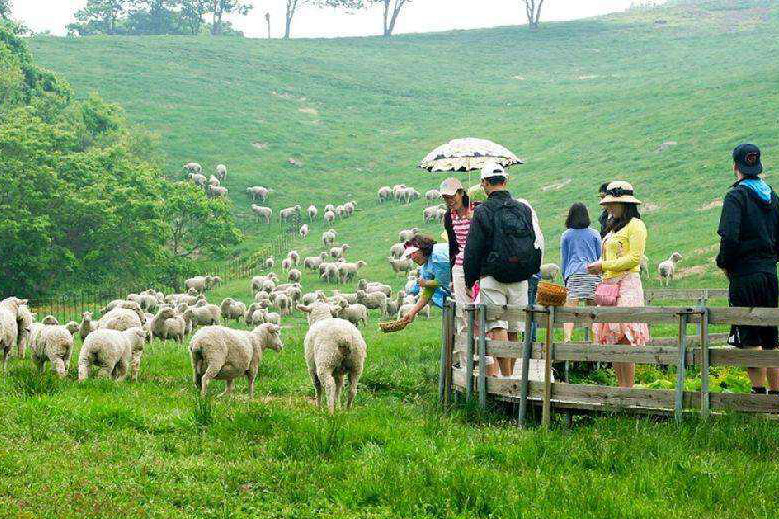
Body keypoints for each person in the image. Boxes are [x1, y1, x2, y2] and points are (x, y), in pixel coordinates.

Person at [463, 162, 543, 377]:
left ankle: (507, 377)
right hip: (521, 277)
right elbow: (535, 241)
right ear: (505, 181)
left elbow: (473, 247)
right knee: (515, 328)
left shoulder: (483, 211)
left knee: (497, 325)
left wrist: (470, 280)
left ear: (484, 184)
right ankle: (513, 376)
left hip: (493, 276)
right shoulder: (524, 208)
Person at [716, 144, 779, 395]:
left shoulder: (736, 196)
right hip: (769, 274)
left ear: (735, 167)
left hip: (744, 274)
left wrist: (725, 263)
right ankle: (776, 398)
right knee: (771, 337)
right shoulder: (772, 197)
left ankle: (758, 394)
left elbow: (730, 237)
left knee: (750, 336)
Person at [587, 181, 649, 388]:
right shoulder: (612, 227)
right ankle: (621, 386)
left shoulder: (636, 226)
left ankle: (628, 388)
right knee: (613, 336)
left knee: (624, 335)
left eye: (613, 203)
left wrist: (604, 265)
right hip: (610, 284)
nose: (608, 207)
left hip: (627, 283)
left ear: (625, 204)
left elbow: (634, 258)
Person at [561, 202, 602, 343]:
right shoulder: (595, 233)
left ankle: (567, 339)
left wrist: (564, 277)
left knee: (570, 309)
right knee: (593, 310)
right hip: (593, 274)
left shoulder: (567, 235)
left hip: (574, 274)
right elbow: (599, 256)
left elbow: (565, 259)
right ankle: (596, 340)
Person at [441, 177, 473, 335]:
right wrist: (453, 276)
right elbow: (452, 246)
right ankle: (469, 351)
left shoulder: (476, 209)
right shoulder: (448, 217)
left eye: (452, 196)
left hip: (478, 265)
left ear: (461, 193)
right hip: (460, 265)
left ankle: (485, 355)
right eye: (446, 197)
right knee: (463, 309)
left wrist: (475, 220)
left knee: (481, 309)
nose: (450, 200)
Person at [399, 235, 451, 324]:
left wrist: (426, 283)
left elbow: (445, 281)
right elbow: (428, 291)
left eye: (413, 253)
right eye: (410, 255)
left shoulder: (438, 257)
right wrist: (412, 312)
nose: (412, 258)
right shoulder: (426, 264)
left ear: (422, 250)